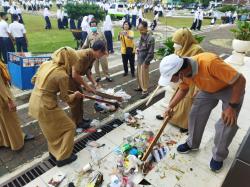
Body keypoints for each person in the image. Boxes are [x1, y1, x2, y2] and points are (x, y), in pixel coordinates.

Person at [159, 52, 246, 172]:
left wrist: (232, 106)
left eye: (171, 78)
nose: (172, 81)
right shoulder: (183, 72)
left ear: (180, 72)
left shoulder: (209, 63)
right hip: (207, 89)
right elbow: (183, 89)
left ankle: (218, 156)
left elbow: (240, 81)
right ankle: (192, 144)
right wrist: (170, 106)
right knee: (195, 113)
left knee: (226, 122)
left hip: (231, 88)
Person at [29, 47, 83, 167]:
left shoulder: (46, 64)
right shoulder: (62, 75)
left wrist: (50, 89)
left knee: (51, 129)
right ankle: (63, 157)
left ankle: (54, 152)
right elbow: (65, 98)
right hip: (46, 106)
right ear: (69, 61)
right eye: (73, 62)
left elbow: (33, 80)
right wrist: (75, 94)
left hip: (34, 101)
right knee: (70, 127)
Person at [156, 28, 203, 133]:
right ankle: (170, 116)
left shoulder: (197, 50)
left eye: (176, 42)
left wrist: (197, 89)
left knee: (188, 101)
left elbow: (199, 70)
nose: (174, 45)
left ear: (184, 41)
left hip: (194, 80)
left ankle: (185, 124)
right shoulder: (179, 48)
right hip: (183, 78)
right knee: (177, 97)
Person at [70, 40, 107, 128]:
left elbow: (88, 71)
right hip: (68, 77)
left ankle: (80, 119)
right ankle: (77, 123)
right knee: (75, 99)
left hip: (75, 76)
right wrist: (87, 86)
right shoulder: (83, 56)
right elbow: (74, 74)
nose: (102, 56)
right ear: (98, 51)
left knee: (80, 98)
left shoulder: (93, 56)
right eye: (102, 54)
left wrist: (94, 83)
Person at [0, 59, 34, 151]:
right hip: (3, 99)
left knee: (3, 121)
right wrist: (9, 101)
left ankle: (4, 141)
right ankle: (17, 143)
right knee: (11, 121)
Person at [135, 21, 155, 99]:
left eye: (142, 30)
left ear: (146, 28)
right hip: (140, 58)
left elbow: (151, 52)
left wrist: (147, 62)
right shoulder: (141, 36)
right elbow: (141, 46)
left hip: (145, 60)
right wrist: (138, 49)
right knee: (139, 74)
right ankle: (140, 87)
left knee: (144, 76)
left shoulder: (151, 38)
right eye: (139, 30)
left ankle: (145, 90)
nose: (140, 32)